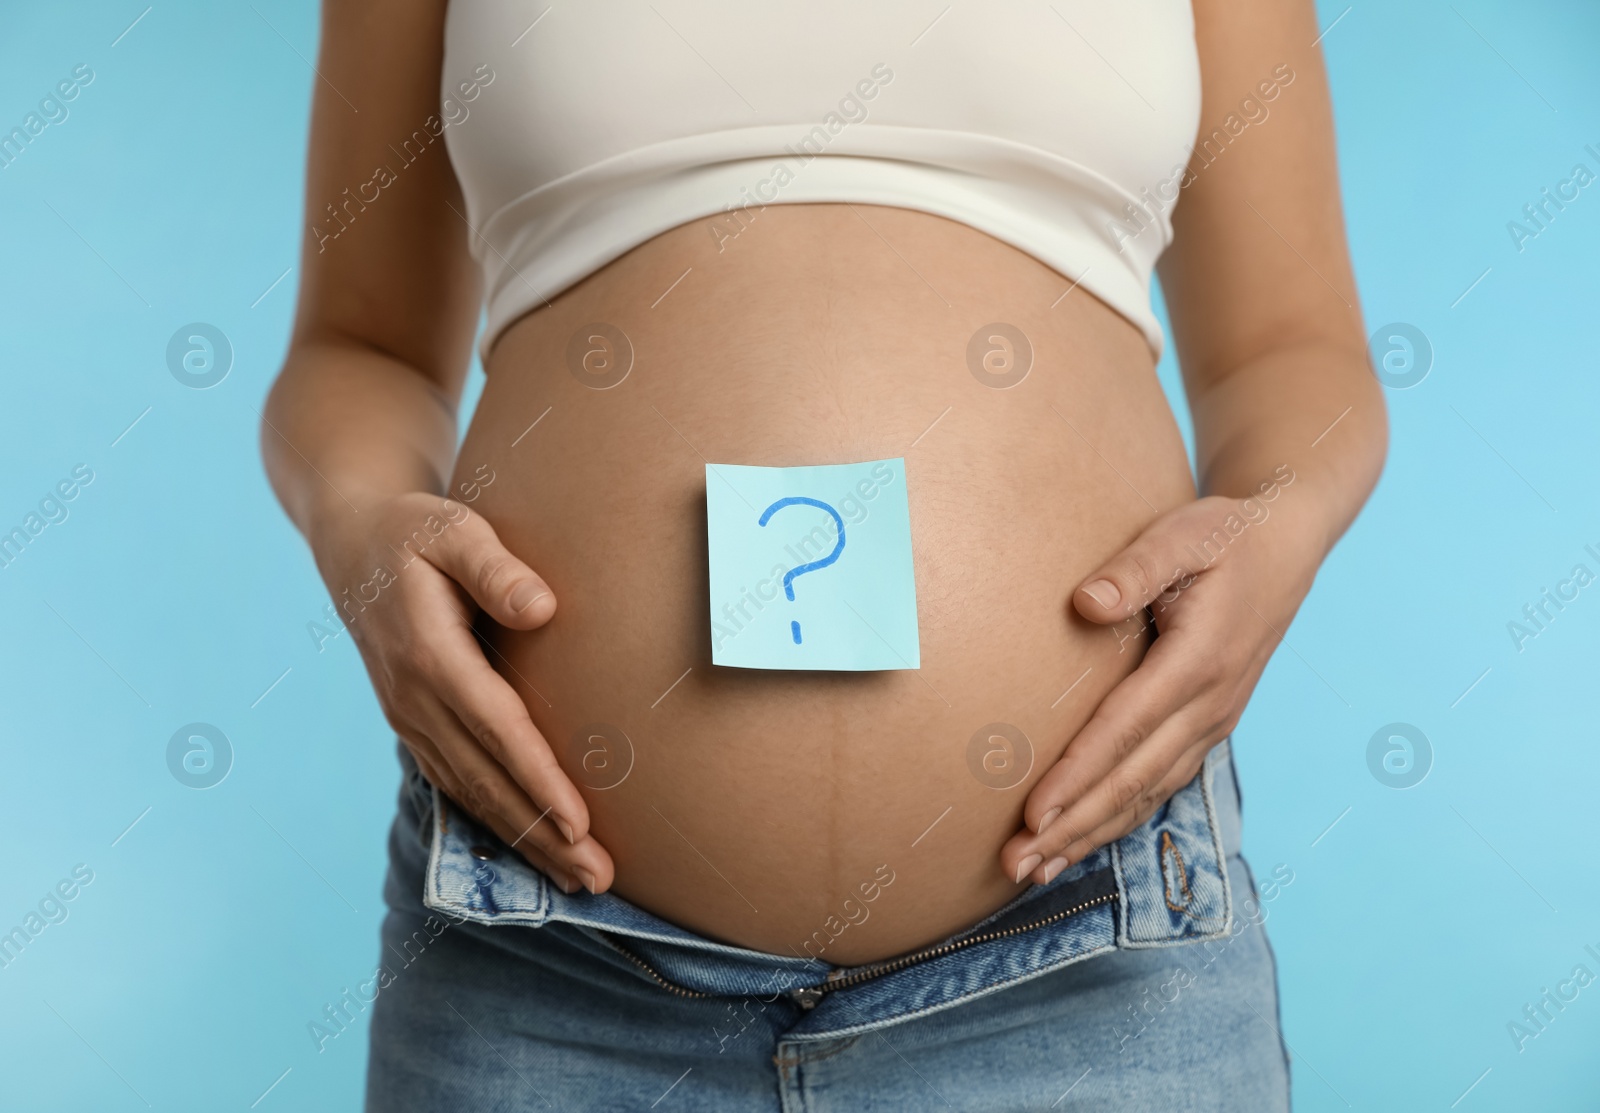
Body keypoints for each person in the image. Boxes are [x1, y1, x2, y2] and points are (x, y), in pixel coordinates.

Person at [262, 0, 1385, 1108]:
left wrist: (1274, 523)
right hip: (547, 959)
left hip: (1092, 948)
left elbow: (1290, 351)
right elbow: (359, 347)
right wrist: (360, 525)